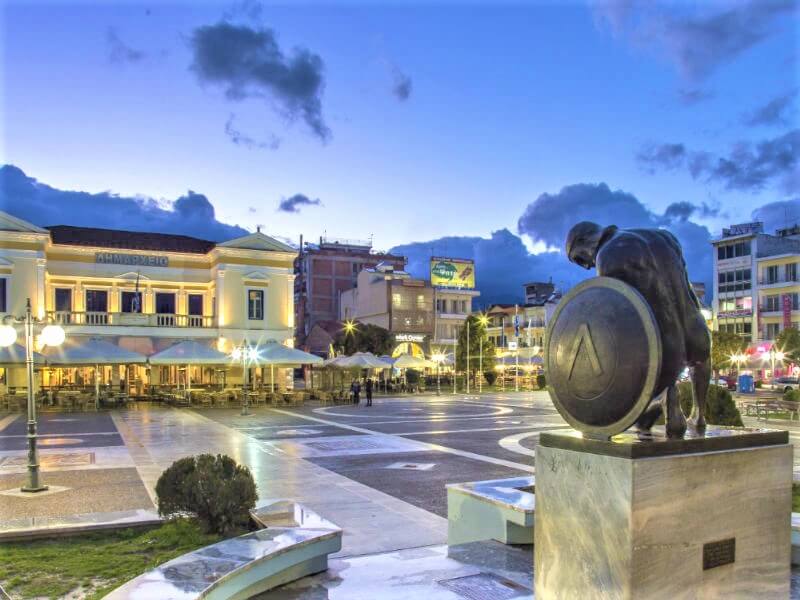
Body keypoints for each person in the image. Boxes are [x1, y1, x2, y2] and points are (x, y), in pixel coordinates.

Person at [566, 221, 711, 439]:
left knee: (644, 388)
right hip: (694, 326)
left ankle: (665, 397)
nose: (586, 265)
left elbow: (619, 314)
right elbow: (687, 288)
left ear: (585, 242)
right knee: (701, 359)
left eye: (579, 259)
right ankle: (699, 415)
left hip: (663, 341)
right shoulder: (665, 236)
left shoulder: (607, 257)